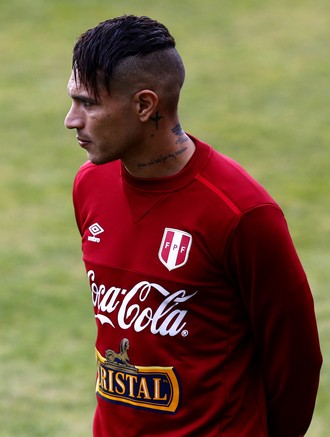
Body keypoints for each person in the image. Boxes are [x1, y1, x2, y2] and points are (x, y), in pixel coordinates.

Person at [64, 15, 322, 437]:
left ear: (145, 106)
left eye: (88, 104)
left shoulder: (241, 213)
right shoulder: (89, 185)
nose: (71, 120)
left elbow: (296, 357)